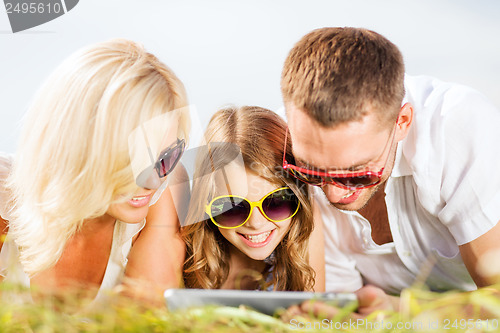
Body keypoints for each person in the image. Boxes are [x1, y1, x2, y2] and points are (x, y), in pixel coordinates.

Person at [280, 27, 500, 315]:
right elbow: (335, 312)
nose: (333, 194)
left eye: (357, 173)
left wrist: (403, 312)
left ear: (402, 122)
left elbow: (495, 301)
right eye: (310, 172)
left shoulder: (458, 127)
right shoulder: (288, 140)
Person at [0, 39, 190, 305]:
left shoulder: (161, 195)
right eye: (132, 161)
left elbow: (148, 319)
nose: (154, 180)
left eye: (166, 156)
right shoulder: (4, 196)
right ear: (79, 146)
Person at [182, 106, 325, 291]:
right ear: (206, 204)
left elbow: (312, 316)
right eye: (233, 207)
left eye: (275, 202)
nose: (255, 223)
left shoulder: (305, 222)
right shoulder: (186, 246)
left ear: (298, 199)